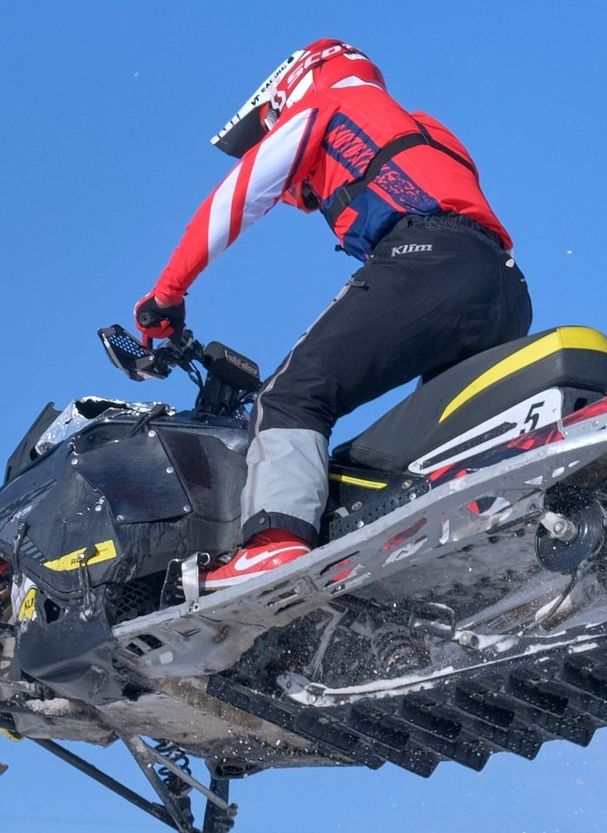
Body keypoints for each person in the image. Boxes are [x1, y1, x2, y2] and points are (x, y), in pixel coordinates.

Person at [132, 39, 529, 588]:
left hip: (426, 262)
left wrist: (165, 296)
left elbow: (238, 196)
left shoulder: (323, 106)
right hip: (504, 284)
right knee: (440, 438)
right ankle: (474, 561)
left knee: (291, 395)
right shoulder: (427, 129)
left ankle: (276, 544)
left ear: (291, 88)